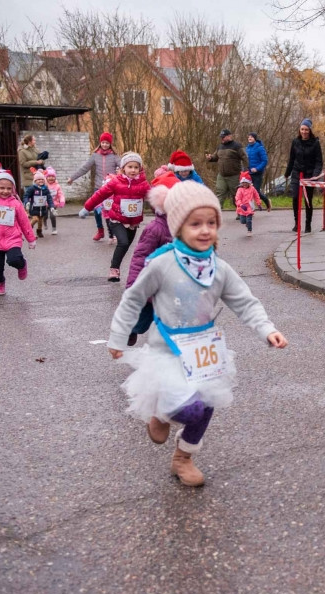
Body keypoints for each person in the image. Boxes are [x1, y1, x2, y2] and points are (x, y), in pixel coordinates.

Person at [106, 179, 288, 486]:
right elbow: (134, 299)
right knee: (188, 408)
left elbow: (245, 301)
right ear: (178, 227)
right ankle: (162, 415)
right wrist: (118, 336)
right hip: (168, 351)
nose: (205, 230)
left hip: (204, 349)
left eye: (211, 223)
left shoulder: (219, 268)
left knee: (206, 405)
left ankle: (183, 458)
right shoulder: (162, 264)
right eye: (195, 224)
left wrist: (267, 329)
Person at [79, 152, 150, 282]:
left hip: (133, 222)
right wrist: (87, 208)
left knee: (126, 245)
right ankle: (114, 270)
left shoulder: (143, 184)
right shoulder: (116, 182)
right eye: (130, 167)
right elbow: (100, 195)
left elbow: (153, 198)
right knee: (122, 242)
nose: (133, 170)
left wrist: (163, 211)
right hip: (116, 219)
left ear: (140, 168)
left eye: (136, 167)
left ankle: (119, 267)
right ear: (123, 168)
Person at [124, 174, 177, 348]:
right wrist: (134, 286)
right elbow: (140, 258)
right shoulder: (155, 229)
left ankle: (172, 351)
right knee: (141, 322)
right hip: (153, 286)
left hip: (175, 286)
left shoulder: (186, 226)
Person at [0, 165, 36, 296]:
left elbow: (24, 222)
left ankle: (22, 265)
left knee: (14, 259)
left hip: (12, 239)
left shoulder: (15, 203)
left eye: (9, 188)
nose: (5, 191)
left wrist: (31, 239)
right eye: (2, 188)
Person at [67, 132, 121, 242]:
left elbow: (123, 166)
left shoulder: (114, 156)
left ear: (110, 144)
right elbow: (84, 168)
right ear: (100, 143)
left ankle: (113, 232)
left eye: (107, 143)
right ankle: (100, 230)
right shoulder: (95, 155)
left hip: (111, 187)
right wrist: (72, 178)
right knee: (97, 210)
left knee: (111, 210)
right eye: (103, 142)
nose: (105, 145)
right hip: (98, 186)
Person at [284, 118, 324, 233]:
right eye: (302, 129)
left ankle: (308, 224)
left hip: (309, 175)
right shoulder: (295, 142)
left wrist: (315, 175)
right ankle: (297, 223)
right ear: (299, 130)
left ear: (310, 130)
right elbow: (291, 159)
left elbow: (319, 161)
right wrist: (287, 173)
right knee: (296, 198)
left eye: (306, 130)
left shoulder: (315, 143)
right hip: (297, 173)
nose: (304, 132)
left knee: (307, 200)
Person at [205, 129, 248, 211]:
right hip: (222, 175)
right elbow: (215, 157)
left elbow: (245, 158)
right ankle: (216, 212)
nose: (222, 139)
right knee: (219, 193)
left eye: (223, 137)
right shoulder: (220, 147)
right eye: (221, 137)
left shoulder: (237, 146)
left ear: (229, 136)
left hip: (234, 175)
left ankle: (242, 212)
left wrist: (245, 171)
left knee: (236, 195)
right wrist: (210, 158)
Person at [23, 170, 54, 239]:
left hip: (42, 209)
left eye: (42, 179)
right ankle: (28, 229)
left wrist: (51, 206)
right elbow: (26, 196)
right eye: (38, 179)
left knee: (40, 221)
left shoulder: (45, 189)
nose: (40, 181)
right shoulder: (32, 188)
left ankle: (39, 231)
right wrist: (26, 202)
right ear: (35, 181)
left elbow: (49, 198)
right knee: (35, 219)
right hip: (34, 209)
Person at [246, 133, 271, 212]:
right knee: (248, 192)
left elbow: (265, 160)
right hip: (248, 173)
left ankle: (267, 201)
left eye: (251, 137)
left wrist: (257, 168)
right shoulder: (247, 148)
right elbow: (245, 160)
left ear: (255, 139)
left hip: (257, 173)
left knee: (255, 191)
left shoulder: (260, 148)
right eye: (249, 137)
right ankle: (250, 209)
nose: (249, 138)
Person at [235, 171, 262, 237]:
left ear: (249, 182)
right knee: (242, 221)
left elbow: (256, 196)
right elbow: (237, 198)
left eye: (246, 182)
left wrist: (258, 203)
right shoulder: (240, 190)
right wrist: (241, 205)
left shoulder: (252, 189)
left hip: (249, 206)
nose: (244, 184)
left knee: (249, 219)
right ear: (241, 183)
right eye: (243, 183)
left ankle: (249, 230)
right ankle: (246, 223)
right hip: (242, 207)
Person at [44, 168, 66, 235]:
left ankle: (54, 228)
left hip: (53, 204)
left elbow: (61, 194)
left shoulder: (57, 186)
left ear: (55, 177)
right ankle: (44, 223)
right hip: (44, 203)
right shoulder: (44, 185)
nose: (51, 178)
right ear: (46, 178)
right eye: (49, 176)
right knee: (44, 216)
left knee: (52, 216)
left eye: (53, 176)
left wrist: (62, 201)